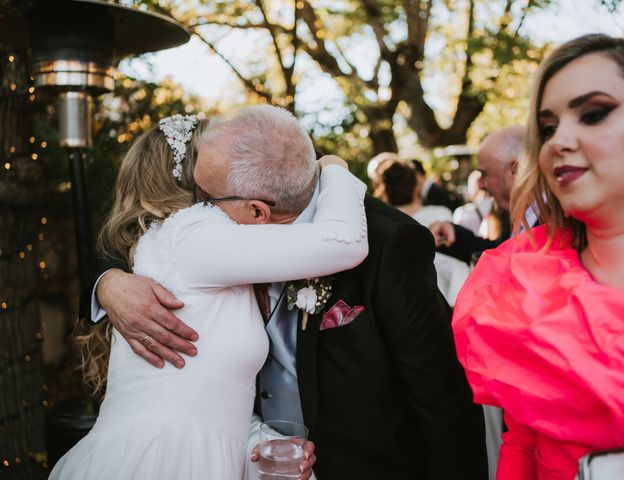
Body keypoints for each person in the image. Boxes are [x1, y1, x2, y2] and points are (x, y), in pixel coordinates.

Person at [84, 107, 488, 479]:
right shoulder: (207, 235)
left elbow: (441, 394)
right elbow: (135, 242)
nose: (202, 208)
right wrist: (107, 283)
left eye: (208, 198)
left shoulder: (388, 241)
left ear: (257, 209)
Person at [51, 110, 370, 479]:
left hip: (200, 452)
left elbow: (198, 382)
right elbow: (345, 242)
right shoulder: (193, 236)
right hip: (163, 458)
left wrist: (256, 440)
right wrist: (332, 166)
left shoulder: (194, 249)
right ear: (199, 175)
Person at [452, 33, 624, 480]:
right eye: (547, 128)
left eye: (594, 114)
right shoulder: (523, 278)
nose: (559, 141)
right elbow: (521, 438)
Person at [375, 160, 470, 306]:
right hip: (449, 295)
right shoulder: (441, 213)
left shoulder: (382, 223)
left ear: (385, 189)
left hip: (405, 302)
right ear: (416, 187)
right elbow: (454, 263)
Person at [430, 126, 527, 264]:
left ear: (515, 170)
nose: (481, 185)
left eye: (484, 174)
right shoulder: (520, 214)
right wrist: (452, 232)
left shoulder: (551, 216)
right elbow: (498, 252)